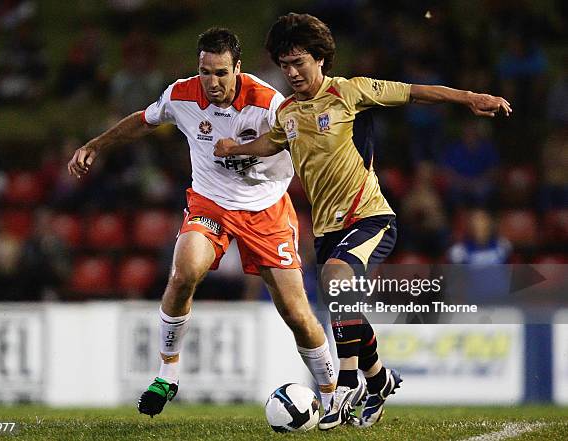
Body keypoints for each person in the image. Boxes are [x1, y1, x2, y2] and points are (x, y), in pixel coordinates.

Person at [214, 13, 512, 430]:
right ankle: (379, 379)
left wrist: (470, 98)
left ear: (321, 59)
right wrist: (234, 146)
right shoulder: (288, 114)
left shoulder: (350, 92)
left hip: (371, 217)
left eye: (299, 61)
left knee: (337, 282)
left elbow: (416, 93)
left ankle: (346, 383)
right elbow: (271, 142)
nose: (292, 72)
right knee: (343, 304)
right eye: (284, 64)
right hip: (326, 229)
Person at [67, 28, 337, 418]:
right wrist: (95, 145)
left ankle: (331, 394)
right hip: (210, 204)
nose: (212, 82)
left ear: (238, 69)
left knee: (296, 312)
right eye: (206, 72)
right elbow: (143, 121)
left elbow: (305, 146)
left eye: (221, 73)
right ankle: (167, 374)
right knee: (183, 272)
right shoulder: (181, 94)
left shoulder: (268, 103)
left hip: (266, 209)